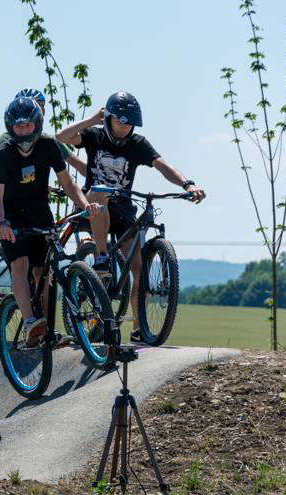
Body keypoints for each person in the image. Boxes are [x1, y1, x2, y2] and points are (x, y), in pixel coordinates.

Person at [55, 91, 206, 342]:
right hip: (93, 208)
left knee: (139, 268)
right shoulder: (95, 136)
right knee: (99, 194)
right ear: (110, 119)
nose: (125, 127)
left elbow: (162, 165)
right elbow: (62, 136)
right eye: (121, 121)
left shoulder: (138, 144)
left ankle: (138, 329)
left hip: (123, 209)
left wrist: (187, 184)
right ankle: (101, 256)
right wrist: (92, 120)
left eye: (130, 123)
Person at [0, 97, 101, 348]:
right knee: (20, 265)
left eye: (27, 125)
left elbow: (67, 183)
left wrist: (85, 205)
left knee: (44, 272)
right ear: (10, 126)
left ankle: (47, 329)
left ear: (37, 124)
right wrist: (1, 223)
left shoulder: (49, 145)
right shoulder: (3, 154)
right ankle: (30, 321)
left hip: (40, 212)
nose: (23, 131)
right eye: (18, 126)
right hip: (12, 217)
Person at [0, 88, 87, 177]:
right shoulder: (8, 138)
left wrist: (98, 177)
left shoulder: (49, 141)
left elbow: (77, 164)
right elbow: (17, 165)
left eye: (39, 107)